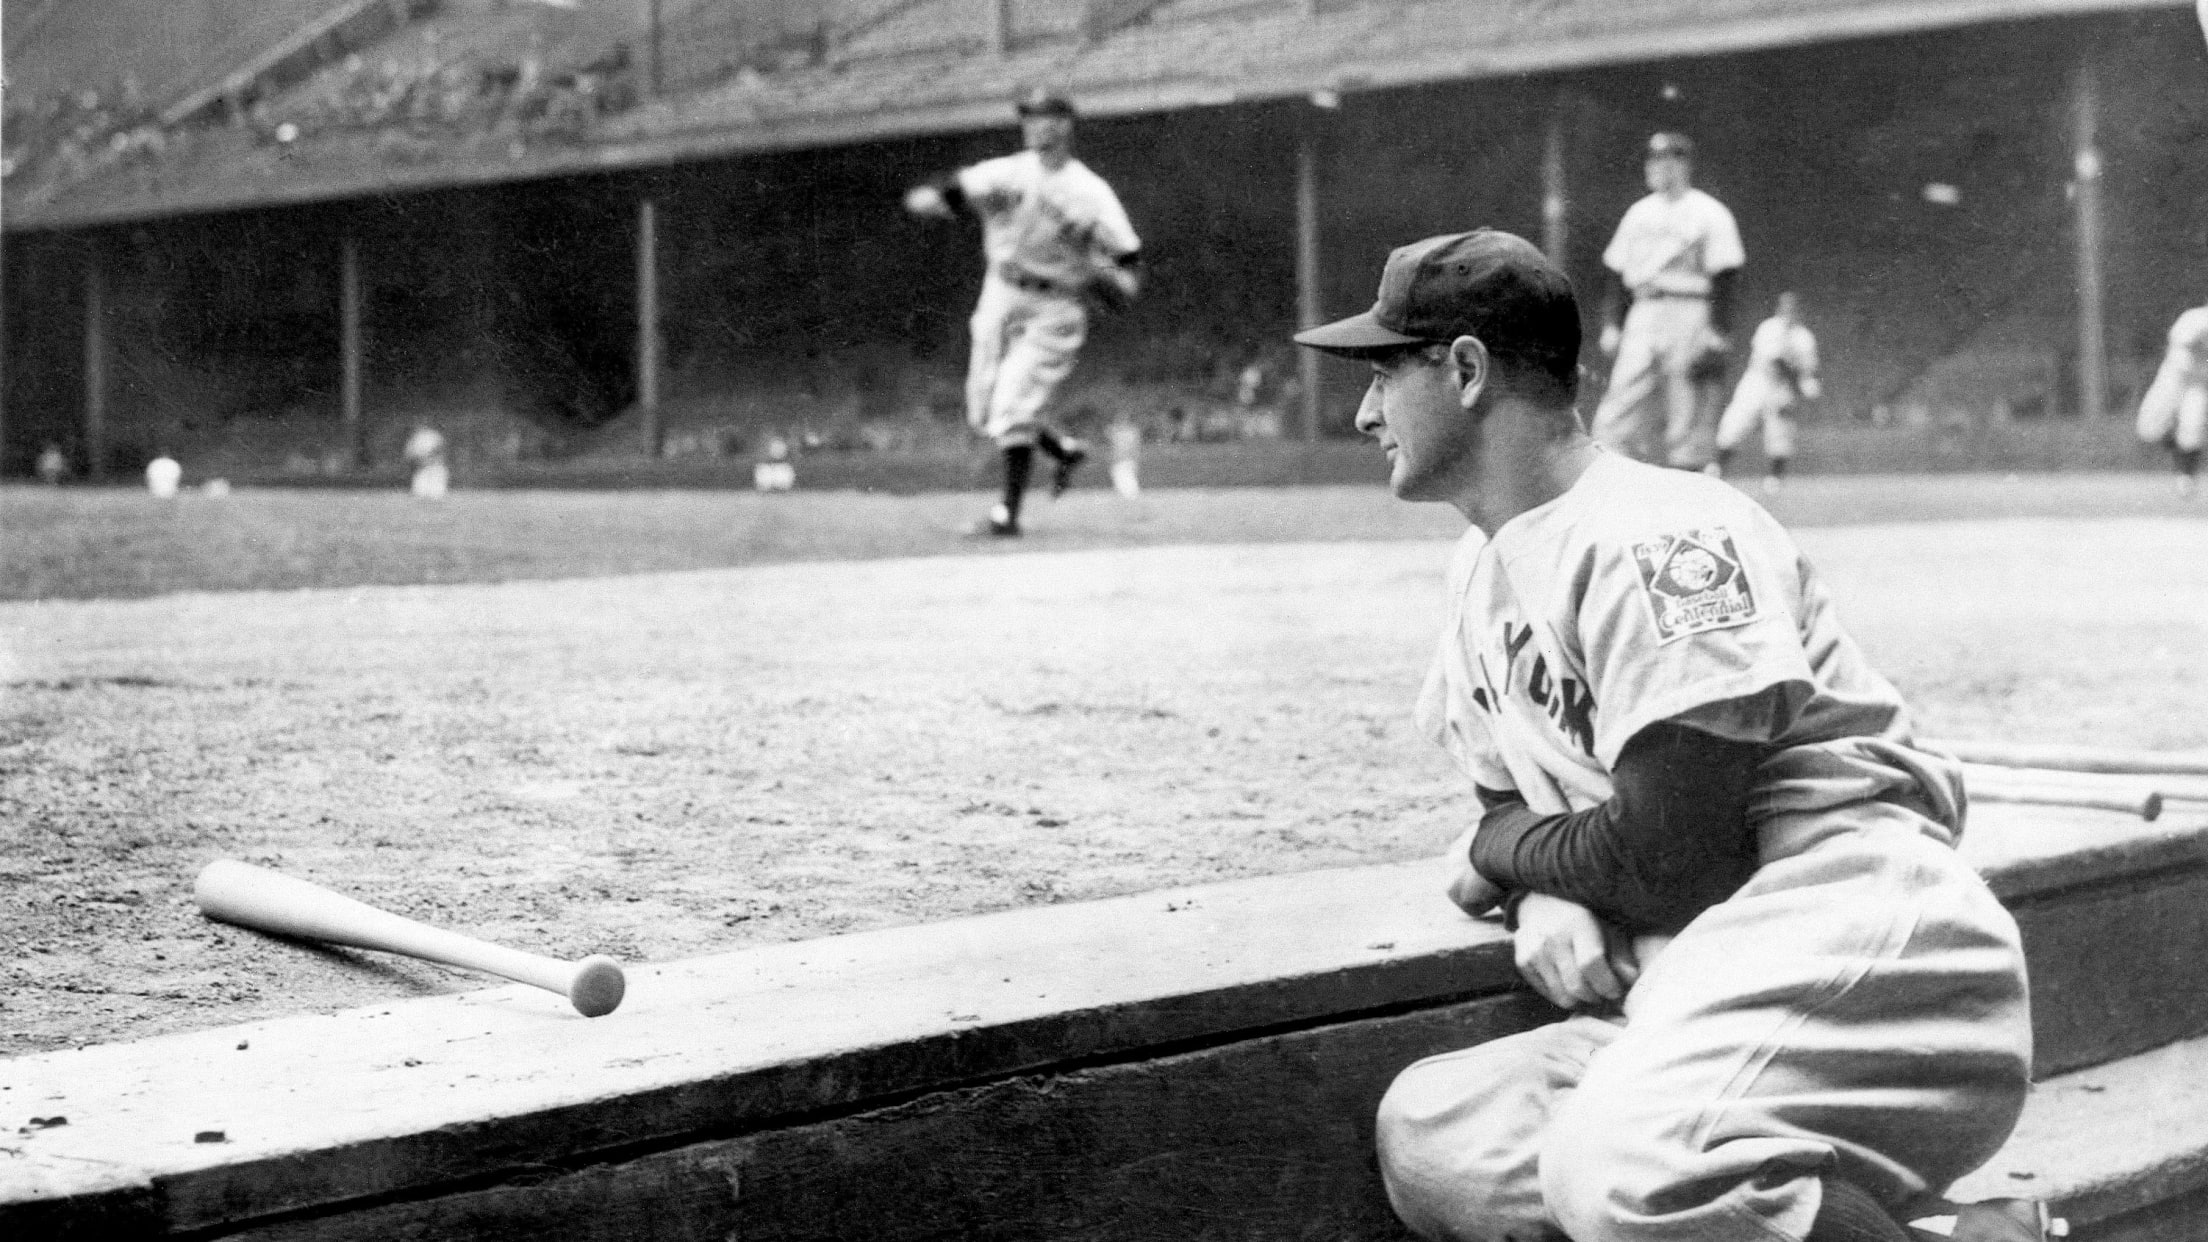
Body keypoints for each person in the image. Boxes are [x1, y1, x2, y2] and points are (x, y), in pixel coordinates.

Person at [1292, 229, 2049, 1242]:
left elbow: (1664, 860)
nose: (1363, 409)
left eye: (1386, 372)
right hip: (1699, 968)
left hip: (1856, 928)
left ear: (1466, 370)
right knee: (1442, 1142)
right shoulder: (1477, 573)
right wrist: (1534, 883)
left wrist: (1490, 858)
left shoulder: (1664, 536)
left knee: (1627, 1173)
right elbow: (1510, 801)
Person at [904, 87, 1142, 536]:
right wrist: (933, 199)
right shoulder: (1008, 172)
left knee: (1011, 405)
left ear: (1067, 124)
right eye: (1029, 116)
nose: (1036, 124)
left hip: (1056, 304)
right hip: (1001, 291)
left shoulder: (1090, 192)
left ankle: (1007, 515)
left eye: (1047, 116)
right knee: (984, 411)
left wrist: (1102, 279)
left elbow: (1130, 269)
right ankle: (1063, 450)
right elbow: (955, 191)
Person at [1589, 132, 1745, 471]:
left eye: (1668, 160)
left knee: (1687, 406)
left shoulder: (1709, 212)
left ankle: (1691, 487)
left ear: (1685, 165)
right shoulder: (1638, 214)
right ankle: (1616, 487)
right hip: (1644, 309)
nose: (1659, 167)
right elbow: (1616, 273)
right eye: (1654, 160)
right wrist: (1613, 324)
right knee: (1618, 406)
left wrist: (1718, 331)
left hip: (1690, 308)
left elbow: (1726, 275)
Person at [1715, 291, 1822, 493]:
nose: (1789, 311)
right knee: (1735, 423)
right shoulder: (1769, 327)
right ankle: (1717, 468)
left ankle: (1775, 478)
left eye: (1793, 308)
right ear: (1778, 308)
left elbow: (1809, 368)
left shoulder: (1804, 337)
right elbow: (1775, 361)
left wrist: (1808, 382)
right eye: (1785, 307)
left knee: (1781, 432)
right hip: (1759, 380)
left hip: (1783, 387)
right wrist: (1800, 384)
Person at [2134, 303, 2208, 497]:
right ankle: (2178, 447)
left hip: (2199, 383)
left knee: (2192, 429)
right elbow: (2185, 344)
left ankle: (2186, 478)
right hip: (2173, 377)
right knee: (2147, 429)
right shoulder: (2195, 318)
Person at [403, 424, 449, 498]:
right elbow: (409, 456)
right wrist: (420, 461)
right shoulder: (413, 440)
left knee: (436, 496)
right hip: (421, 470)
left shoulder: (433, 436)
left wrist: (428, 459)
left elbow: (440, 451)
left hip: (436, 469)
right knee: (419, 495)